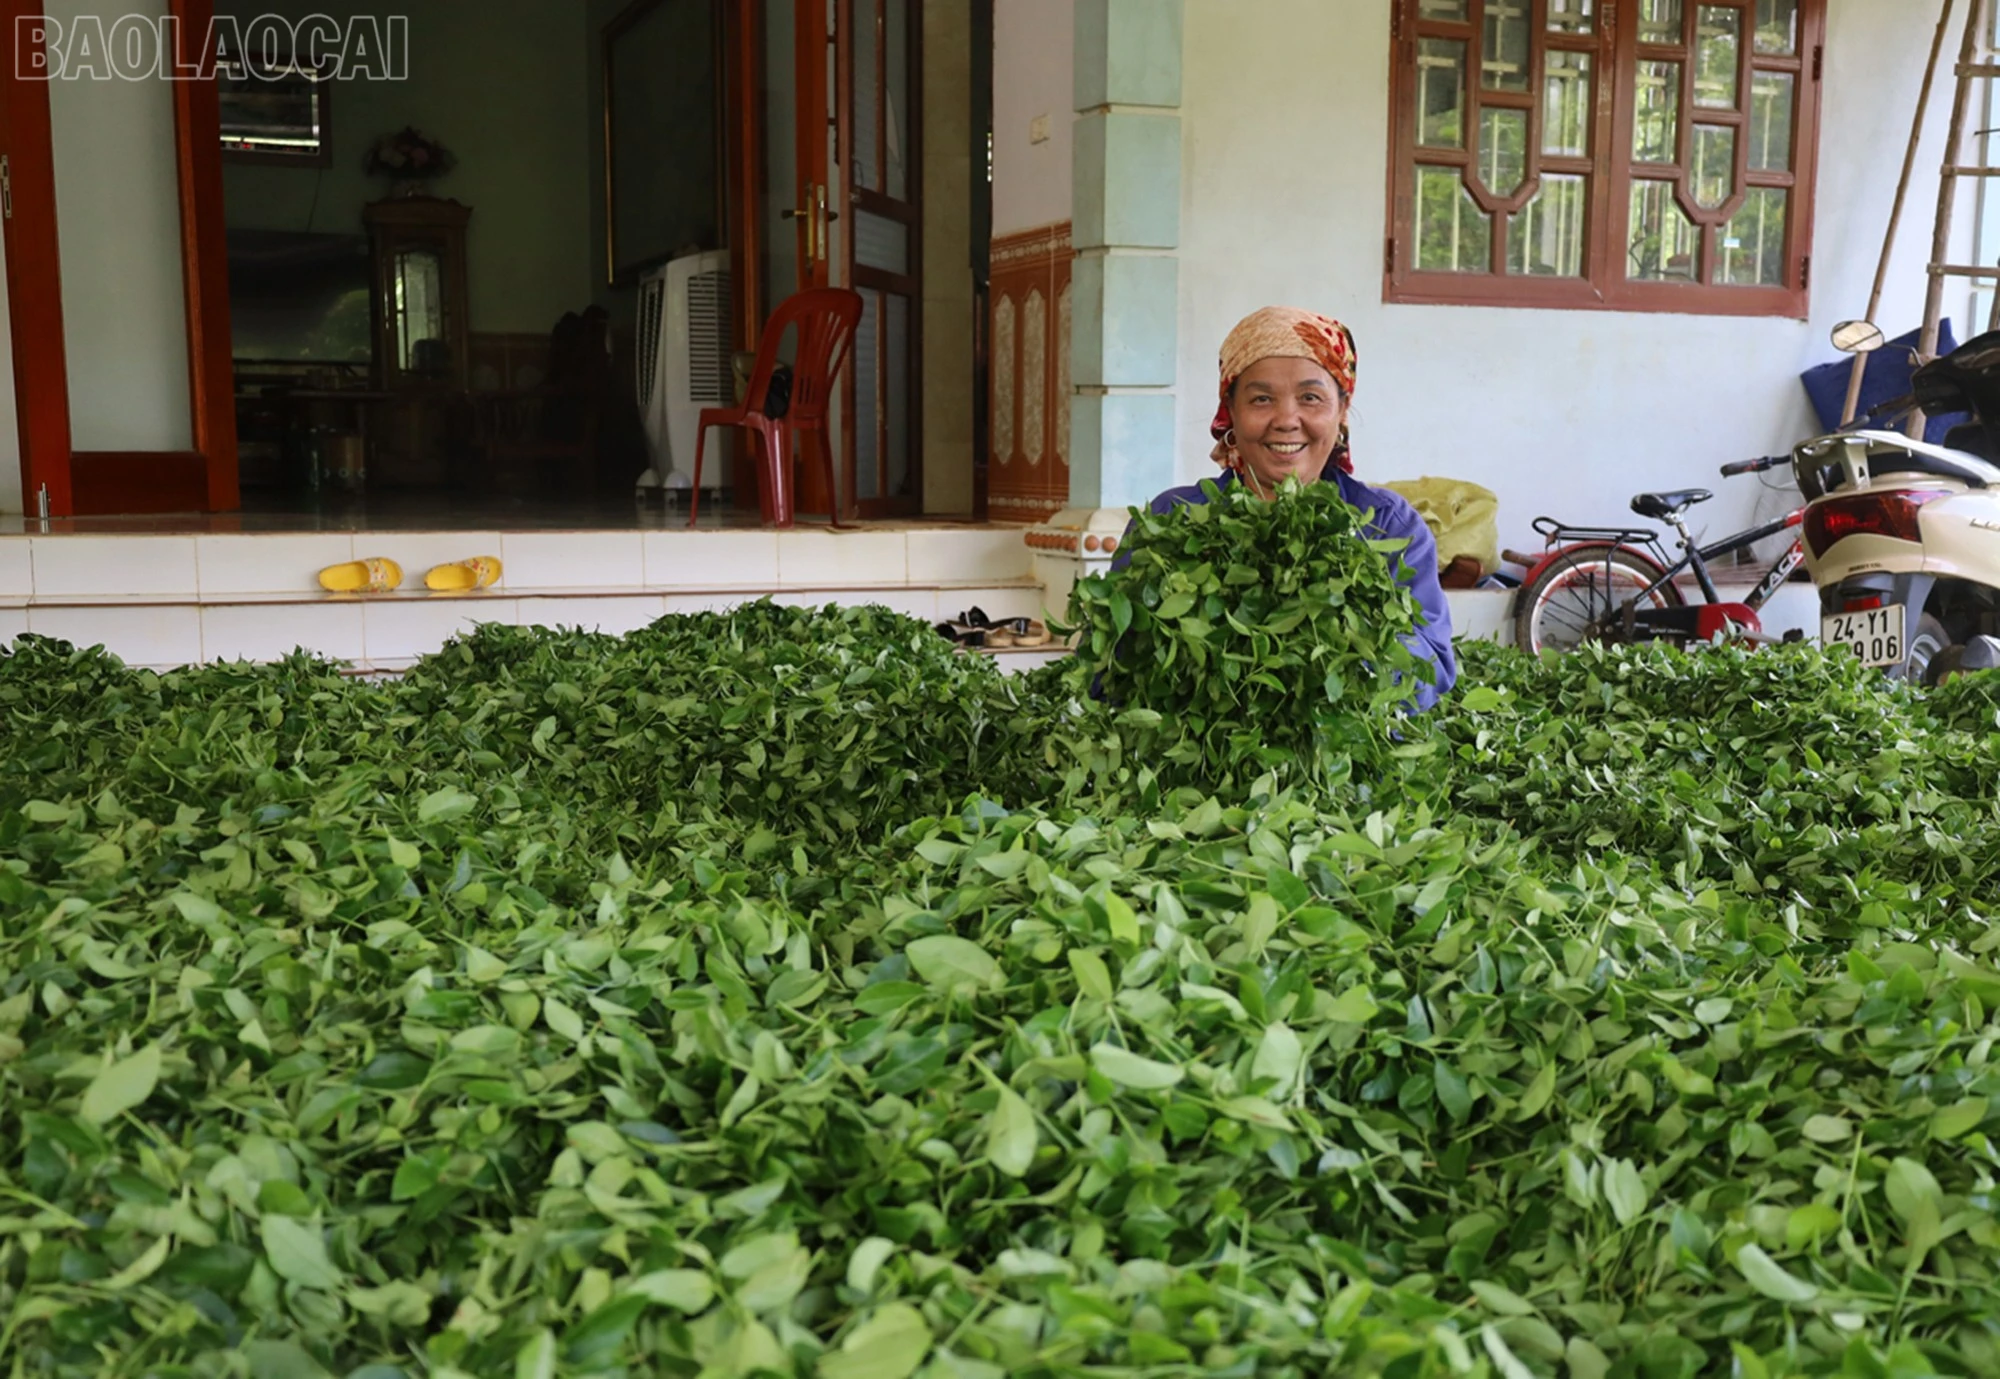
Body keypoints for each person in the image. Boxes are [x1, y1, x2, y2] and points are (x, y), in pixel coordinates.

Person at [1139, 306, 1457, 710]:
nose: (1287, 419)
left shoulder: (1387, 526)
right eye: (1261, 399)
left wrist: (1342, 662)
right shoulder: (1172, 520)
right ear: (1230, 411)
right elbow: (1110, 671)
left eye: (1311, 397)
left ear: (1341, 411)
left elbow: (1431, 660)